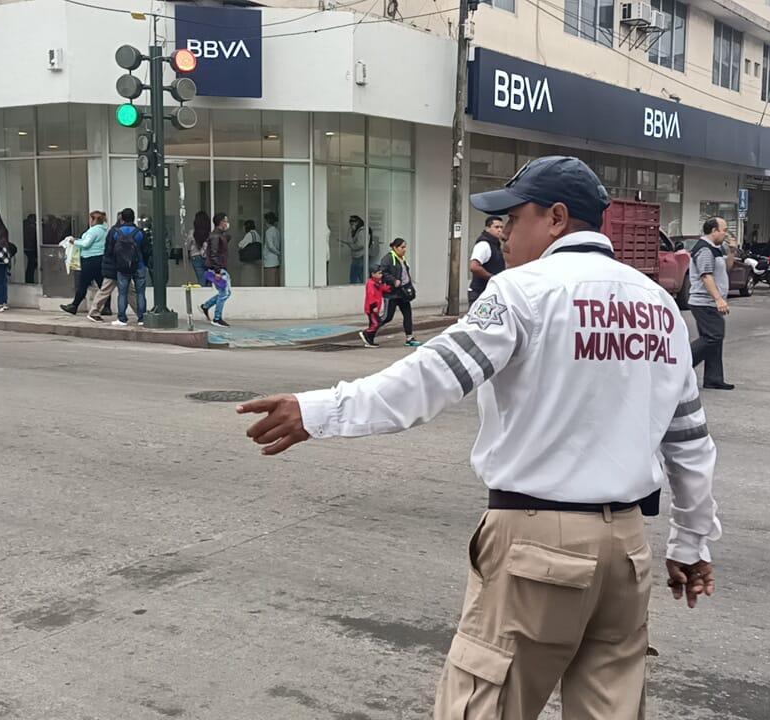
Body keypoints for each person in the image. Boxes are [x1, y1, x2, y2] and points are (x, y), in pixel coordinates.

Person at [239, 155, 720, 720]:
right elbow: (689, 441)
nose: (502, 233)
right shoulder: (658, 306)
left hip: (538, 550)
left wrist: (317, 410)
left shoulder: (522, 292)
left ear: (557, 218)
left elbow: (429, 379)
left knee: (481, 705)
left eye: (512, 219)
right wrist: (691, 545)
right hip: (628, 554)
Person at [689, 217, 733, 390]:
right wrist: (718, 298)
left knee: (715, 339)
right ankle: (681, 366)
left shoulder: (715, 249)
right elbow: (706, 275)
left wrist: (732, 251)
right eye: (724, 230)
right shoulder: (705, 250)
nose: (725, 233)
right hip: (704, 301)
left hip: (709, 301)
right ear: (714, 231)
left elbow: (726, 268)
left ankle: (714, 378)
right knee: (713, 336)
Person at [109, 208, 151, 327]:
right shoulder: (140, 232)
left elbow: (109, 250)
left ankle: (122, 318)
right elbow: (147, 250)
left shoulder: (116, 232)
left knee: (122, 293)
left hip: (122, 268)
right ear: (133, 218)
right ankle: (142, 318)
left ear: (122, 219)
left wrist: (116, 263)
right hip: (139, 266)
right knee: (141, 293)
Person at [61, 211, 107, 315]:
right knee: (102, 285)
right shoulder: (104, 230)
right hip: (100, 258)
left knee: (83, 284)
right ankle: (107, 307)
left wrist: (74, 241)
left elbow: (86, 244)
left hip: (89, 259)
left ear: (93, 219)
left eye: (90, 218)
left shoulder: (93, 230)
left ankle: (74, 305)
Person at [378, 238, 420, 347]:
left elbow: (405, 274)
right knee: (387, 317)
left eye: (405, 247)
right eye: (402, 247)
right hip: (392, 294)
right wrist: (393, 280)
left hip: (402, 293)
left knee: (407, 314)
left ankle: (409, 337)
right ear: (395, 248)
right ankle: (369, 332)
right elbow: (382, 273)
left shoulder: (402, 258)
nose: (404, 249)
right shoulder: (388, 259)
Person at [199, 213, 232, 327]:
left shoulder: (219, 235)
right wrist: (217, 271)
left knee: (226, 293)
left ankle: (206, 306)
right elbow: (214, 254)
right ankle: (217, 318)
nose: (227, 223)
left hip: (220, 267)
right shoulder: (215, 237)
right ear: (221, 222)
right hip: (218, 269)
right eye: (225, 221)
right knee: (224, 293)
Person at [468, 215, 506, 304]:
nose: (499, 230)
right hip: (480, 292)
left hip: (490, 291)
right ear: (487, 228)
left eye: (501, 227)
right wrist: (493, 278)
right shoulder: (484, 244)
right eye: (496, 227)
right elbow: (474, 267)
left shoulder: (496, 244)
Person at [358, 267, 390, 348]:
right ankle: (366, 333)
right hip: (371, 308)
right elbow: (370, 295)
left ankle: (370, 340)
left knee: (373, 323)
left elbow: (383, 288)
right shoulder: (371, 284)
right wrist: (373, 306)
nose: (381, 275)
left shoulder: (378, 283)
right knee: (376, 323)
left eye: (381, 273)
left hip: (375, 309)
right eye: (379, 273)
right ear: (373, 274)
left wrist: (390, 288)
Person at [237, 219, 262, 286]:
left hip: (249, 262)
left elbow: (241, 245)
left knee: (248, 280)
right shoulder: (257, 234)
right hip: (256, 261)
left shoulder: (250, 234)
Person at [189, 210, 211, 285]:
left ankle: (202, 294)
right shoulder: (210, 233)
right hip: (208, 257)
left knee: (201, 279)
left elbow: (188, 245)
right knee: (210, 280)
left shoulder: (192, 233)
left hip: (195, 257)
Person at [262, 211, 282, 287]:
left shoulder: (269, 231)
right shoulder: (277, 231)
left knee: (270, 285)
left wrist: (278, 253)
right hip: (276, 261)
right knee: (275, 284)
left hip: (269, 262)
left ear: (267, 221)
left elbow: (270, 246)